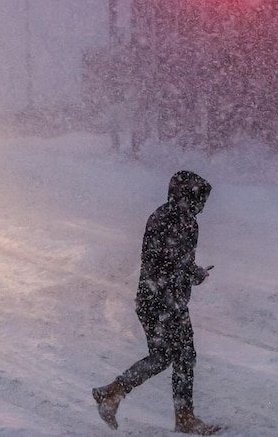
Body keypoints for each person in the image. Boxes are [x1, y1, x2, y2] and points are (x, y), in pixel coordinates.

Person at [92, 170, 221, 434]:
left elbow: (172, 262)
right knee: (176, 356)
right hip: (162, 300)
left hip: (161, 299)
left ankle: (115, 393)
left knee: (173, 356)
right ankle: (178, 415)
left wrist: (189, 273)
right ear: (186, 196)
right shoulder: (172, 220)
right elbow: (168, 262)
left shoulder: (175, 218)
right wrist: (193, 273)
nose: (201, 209)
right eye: (199, 201)